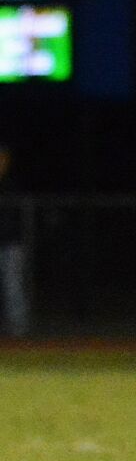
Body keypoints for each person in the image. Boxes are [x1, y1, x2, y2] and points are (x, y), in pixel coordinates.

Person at [0, 144, 29, 337]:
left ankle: (19, 330)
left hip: (10, 243)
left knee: (12, 286)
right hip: (8, 241)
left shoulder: (11, 184)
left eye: (3, 158)